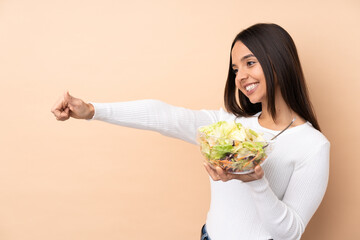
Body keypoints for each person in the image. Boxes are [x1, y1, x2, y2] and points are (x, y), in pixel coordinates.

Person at [51, 23, 330, 240]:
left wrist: (254, 179)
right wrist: (91, 110)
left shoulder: (312, 145)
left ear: (278, 60)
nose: (240, 76)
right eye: (235, 69)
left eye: (249, 62)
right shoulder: (230, 125)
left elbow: (290, 232)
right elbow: (163, 116)